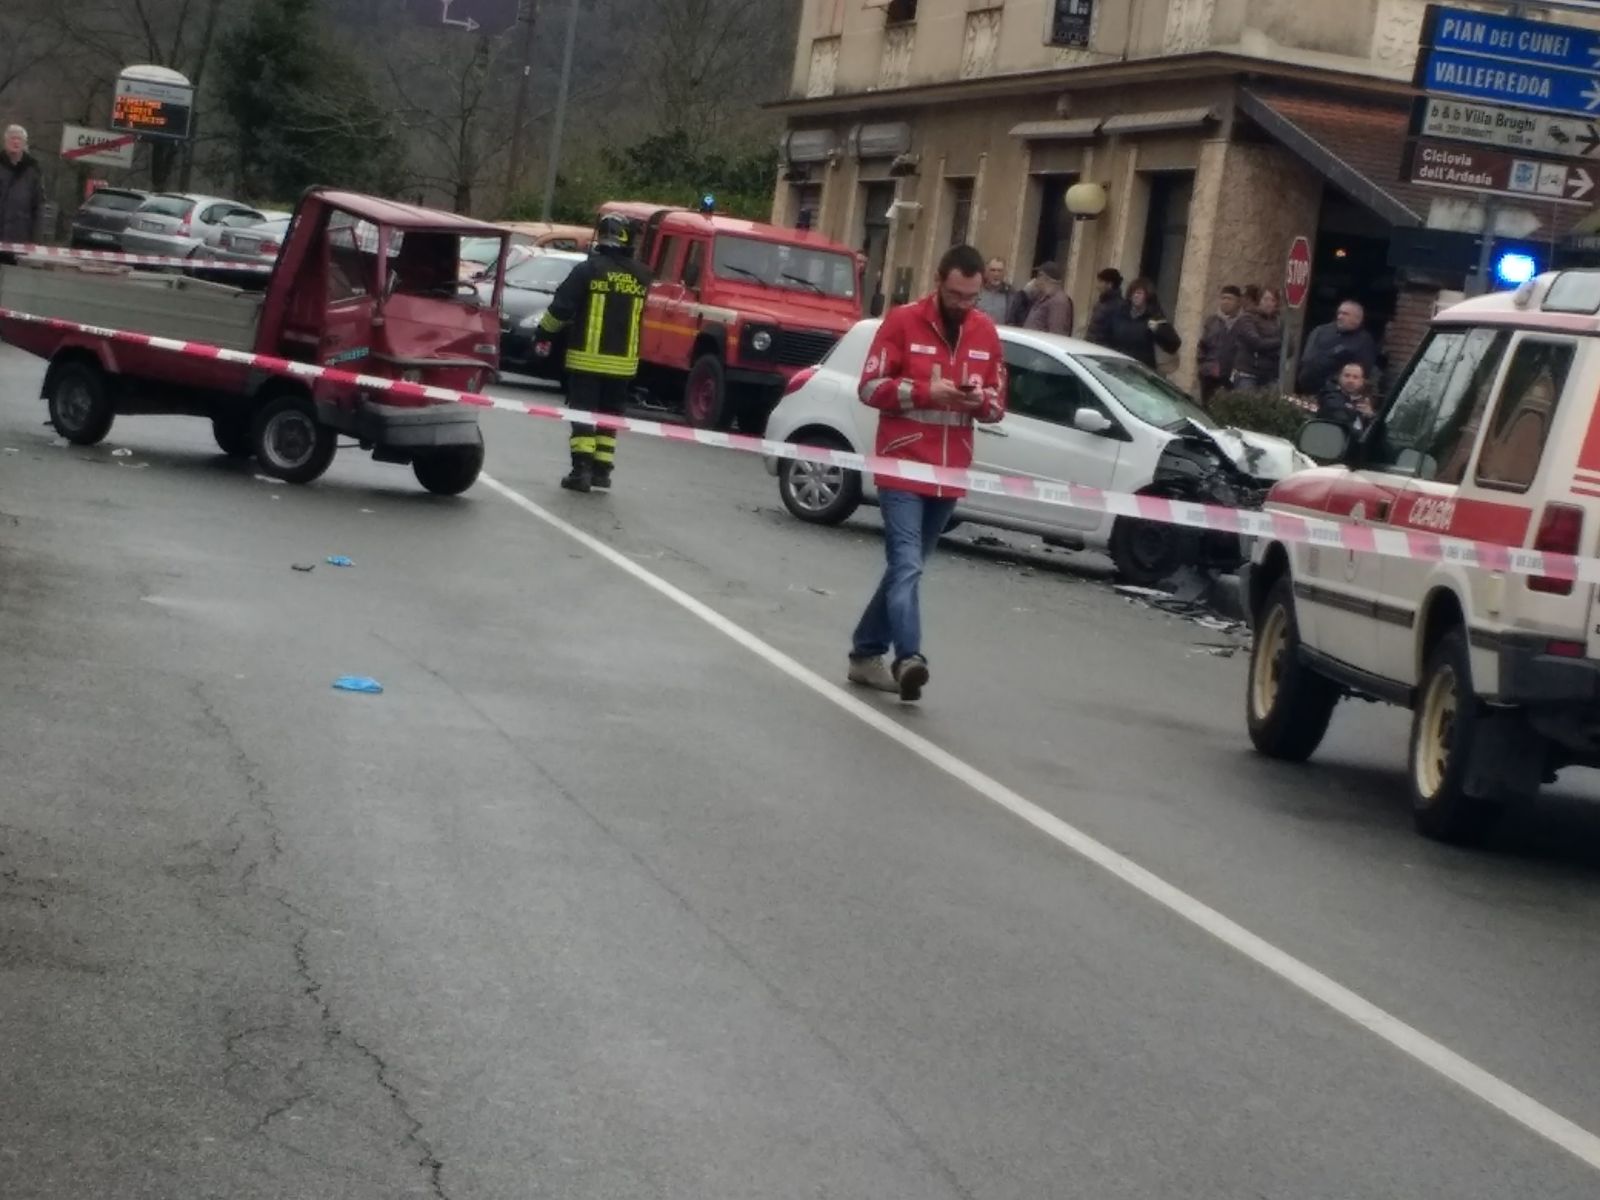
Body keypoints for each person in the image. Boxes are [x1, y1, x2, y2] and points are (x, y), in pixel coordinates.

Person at [848, 243, 1006, 703]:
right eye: (957, 295)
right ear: (939, 282)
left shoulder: (985, 331)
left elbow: (999, 403)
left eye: (972, 297)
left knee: (907, 569)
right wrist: (923, 392)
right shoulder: (901, 321)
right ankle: (909, 658)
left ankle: (864, 652)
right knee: (908, 563)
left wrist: (981, 402)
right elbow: (870, 386)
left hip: (949, 471)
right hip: (901, 464)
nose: (964, 305)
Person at [533, 212, 652, 493]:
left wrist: (544, 334)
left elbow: (561, 309)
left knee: (584, 413)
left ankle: (581, 471)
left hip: (587, 358)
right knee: (610, 414)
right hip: (623, 363)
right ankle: (602, 471)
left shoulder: (587, 270)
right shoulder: (643, 275)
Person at [1295, 298, 1378, 396]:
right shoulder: (1321, 331)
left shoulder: (1364, 341)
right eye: (1339, 313)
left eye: (1345, 314)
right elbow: (1307, 358)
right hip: (1307, 389)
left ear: (1358, 318)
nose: (1340, 316)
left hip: (1338, 394)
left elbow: (1362, 372)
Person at [1100, 277, 1181, 368]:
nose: (1135, 296)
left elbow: (1174, 344)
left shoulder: (1154, 317)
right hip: (1118, 367)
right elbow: (1104, 338)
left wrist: (1159, 330)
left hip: (1141, 371)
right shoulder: (1119, 314)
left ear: (1147, 296)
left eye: (1139, 293)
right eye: (1133, 293)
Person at [1197, 284, 1244, 406]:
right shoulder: (1212, 321)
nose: (1225, 302)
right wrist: (1203, 367)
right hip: (1209, 376)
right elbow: (1202, 346)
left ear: (1238, 302)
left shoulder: (1244, 323)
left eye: (1230, 299)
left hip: (1231, 378)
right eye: (1223, 298)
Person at [1232, 286, 1284, 391]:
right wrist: (1280, 343)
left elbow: (1289, 346)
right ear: (1259, 301)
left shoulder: (1278, 322)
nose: (1269, 303)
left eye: (1273, 300)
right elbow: (1256, 342)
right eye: (1265, 299)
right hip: (1248, 374)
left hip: (1270, 375)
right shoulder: (1247, 318)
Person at [0, 124, 43, 249]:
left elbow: (38, 206)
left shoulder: (33, 169)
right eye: (12, 138)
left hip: (20, 236)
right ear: (5, 141)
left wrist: (36, 238)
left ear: (24, 143)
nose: (15, 142)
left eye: (19, 139)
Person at [1317, 361, 1375, 432]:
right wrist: (1354, 409)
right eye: (1347, 376)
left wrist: (1370, 416)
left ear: (1361, 382)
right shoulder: (1330, 395)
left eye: (1355, 377)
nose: (1350, 380)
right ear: (1339, 377)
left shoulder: (1362, 401)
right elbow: (1341, 419)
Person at [1022, 261, 1073, 336]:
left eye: (1037, 276)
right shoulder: (1042, 297)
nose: (1035, 280)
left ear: (1043, 277)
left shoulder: (1058, 302)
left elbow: (1056, 334)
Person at [1084, 268, 1124, 345]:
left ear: (1109, 284)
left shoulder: (1118, 305)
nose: (1098, 286)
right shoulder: (1102, 302)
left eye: (1101, 282)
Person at [975, 256, 1014, 324]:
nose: (996, 274)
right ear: (986, 272)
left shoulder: (1011, 295)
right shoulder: (976, 290)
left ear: (1004, 273)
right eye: (993, 270)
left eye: (1000, 270)